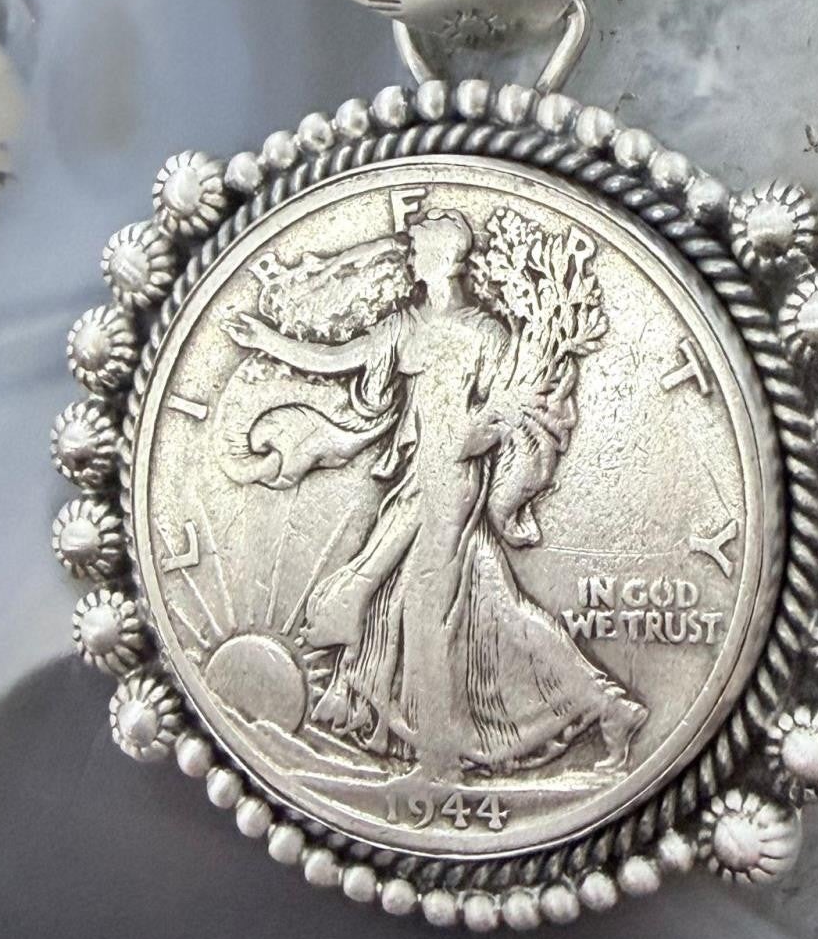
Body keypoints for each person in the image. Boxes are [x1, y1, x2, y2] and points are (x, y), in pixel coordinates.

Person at [226, 210, 646, 779]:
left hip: (452, 486)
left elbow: (502, 416)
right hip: (417, 483)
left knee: (429, 614)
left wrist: (472, 436)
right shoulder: (406, 327)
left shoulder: (487, 335)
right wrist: (269, 341)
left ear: (446, 261)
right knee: (490, 605)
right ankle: (607, 707)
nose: (412, 257)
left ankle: (439, 759)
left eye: (420, 250)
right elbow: (337, 359)